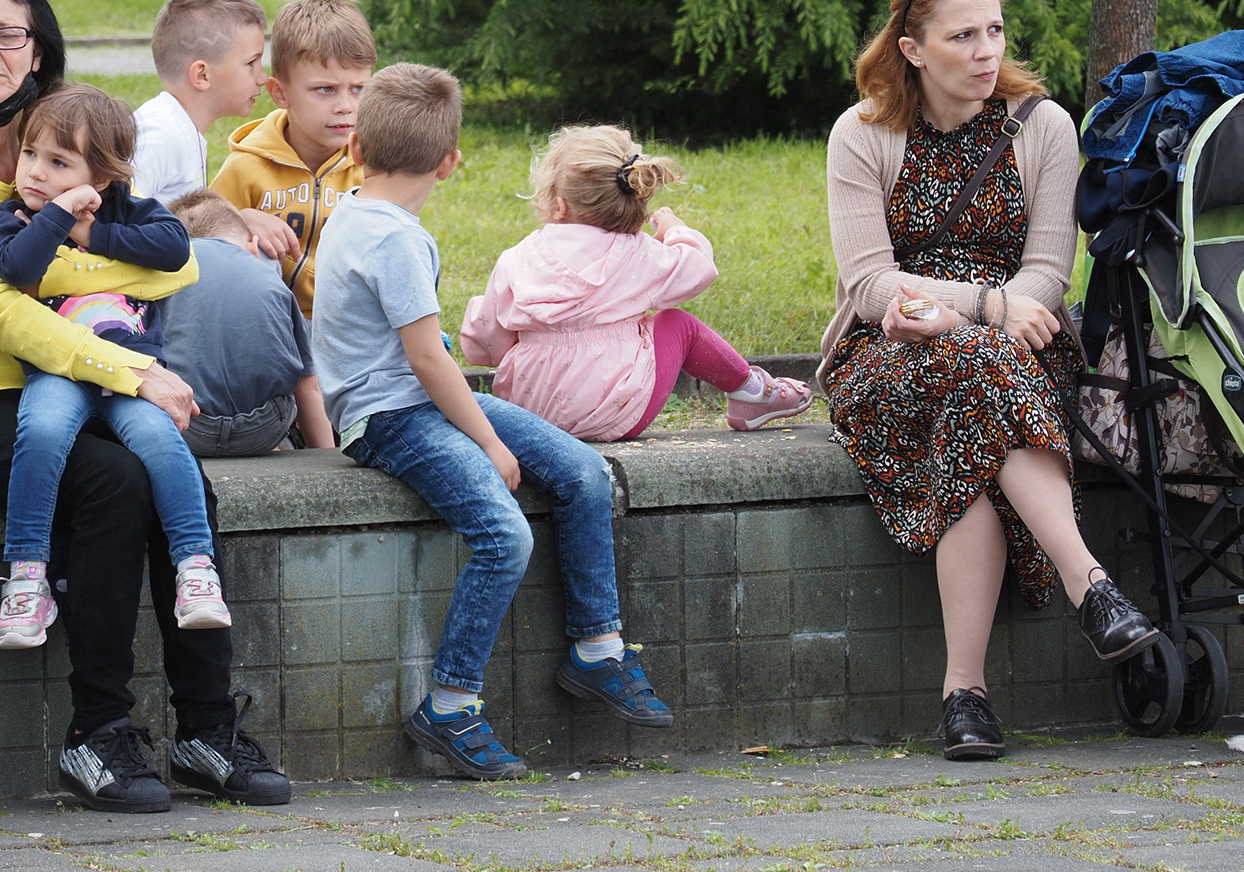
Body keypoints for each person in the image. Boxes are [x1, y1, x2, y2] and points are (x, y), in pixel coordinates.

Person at [0, 0, 289, 812]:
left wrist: (75, 271)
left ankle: (207, 730)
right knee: (110, 483)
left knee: (179, 477)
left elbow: (175, 263)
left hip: (72, 375)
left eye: (6, 32)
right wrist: (135, 366)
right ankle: (97, 735)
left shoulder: (70, 135)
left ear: (38, 47)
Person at [820, 0, 1157, 763]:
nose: (986, 52)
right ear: (912, 49)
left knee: (973, 400)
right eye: (963, 36)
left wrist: (980, 317)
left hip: (1021, 352)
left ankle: (964, 696)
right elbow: (871, 286)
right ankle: (1090, 585)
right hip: (890, 354)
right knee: (974, 371)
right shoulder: (862, 134)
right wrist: (982, 308)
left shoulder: (1043, 126)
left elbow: (1048, 274)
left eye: (995, 31)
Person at [313, 64, 673, 782]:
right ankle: (449, 705)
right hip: (387, 417)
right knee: (504, 536)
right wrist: (488, 440)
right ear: (450, 163)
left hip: (417, 397)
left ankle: (596, 649)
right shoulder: (395, 239)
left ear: (355, 149)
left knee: (583, 471)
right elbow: (426, 360)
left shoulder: (355, 210)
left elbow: (419, 350)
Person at [0, 83, 227, 649]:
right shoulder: (11, 216)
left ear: (105, 177)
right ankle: (27, 577)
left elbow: (176, 249)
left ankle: (195, 567)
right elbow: (16, 267)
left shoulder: (127, 212)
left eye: (59, 163)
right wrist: (60, 213)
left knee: (160, 442)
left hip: (134, 374)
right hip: (59, 373)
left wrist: (92, 233)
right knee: (40, 432)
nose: (36, 171)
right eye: (30, 153)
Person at [460, 124, 812, 439]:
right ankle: (753, 392)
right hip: (616, 413)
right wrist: (676, 231)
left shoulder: (518, 257)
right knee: (679, 324)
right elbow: (697, 269)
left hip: (529, 414)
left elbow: (485, 345)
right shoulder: (638, 253)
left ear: (560, 205)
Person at [211, 0, 374, 317]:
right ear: (280, 93)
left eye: (358, 89)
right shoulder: (247, 166)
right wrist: (241, 219)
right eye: (325, 89)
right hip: (267, 321)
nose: (345, 106)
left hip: (348, 325)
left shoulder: (373, 167)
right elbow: (199, 236)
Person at [162, 190, 333, 457]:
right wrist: (326, 455)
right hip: (262, 431)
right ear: (254, 247)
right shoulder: (271, 281)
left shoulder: (164, 272)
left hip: (186, 428)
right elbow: (308, 385)